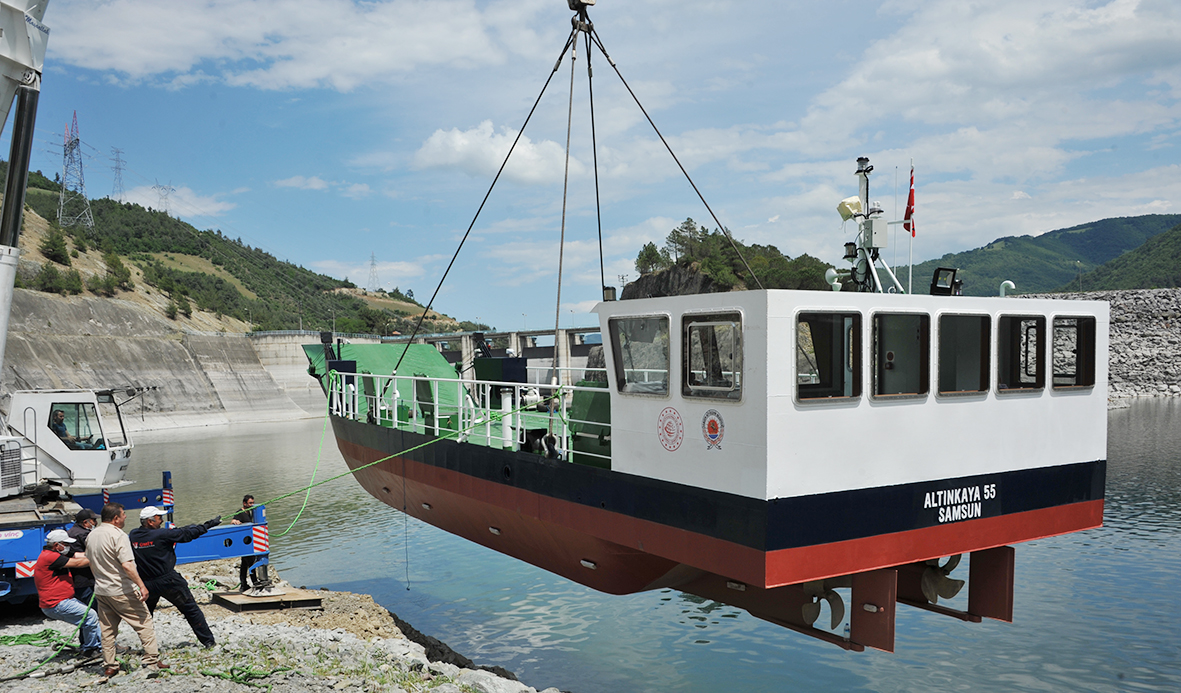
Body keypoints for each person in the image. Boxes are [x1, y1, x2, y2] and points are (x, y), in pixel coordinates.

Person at [86, 502, 168, 678]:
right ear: (115, 518)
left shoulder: (92, 535)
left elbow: (91, 563)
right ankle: (151, 660)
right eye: (123, 514)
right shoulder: (119, 536)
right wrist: (141, 585)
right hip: (121, 589)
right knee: (144, 622)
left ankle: (110, 665)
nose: (125, 517)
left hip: (102, 590)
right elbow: (127, 565)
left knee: (107, 630)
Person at [128, 506, 220, 648]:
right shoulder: (162, 534)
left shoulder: (133, 535)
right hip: (168, 581)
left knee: (145, 616)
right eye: (159, 518)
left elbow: (177, 532)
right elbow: (186, 535)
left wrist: (187, 528)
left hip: (146, 583)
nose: (162, 520)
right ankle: (208, 641)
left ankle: (147, 647)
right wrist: (207, 525)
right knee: (191, 609)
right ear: (150, 521)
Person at [33, 529, 101, 657]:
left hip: (63, 600)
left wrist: (95, 552)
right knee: (90, 616)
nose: (68, 547)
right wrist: (101, 558)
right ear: (57, 545)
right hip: (56, 604)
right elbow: (79, 563)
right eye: (66, 544)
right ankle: (90, 649)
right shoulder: (50, 556)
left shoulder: (56, 552)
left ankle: (103, 646)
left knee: (89, 617)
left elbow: (78, 555)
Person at [67, 508, 98, 606]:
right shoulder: (84, 534)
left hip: (75, 578)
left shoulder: (71, 531)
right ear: (85, 522)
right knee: (94, 607)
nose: (96, 523)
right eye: (94, 520)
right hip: (86, 579)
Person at [230, 494, 262, 591]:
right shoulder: (240, 512)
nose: (252, 505)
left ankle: (243, 584)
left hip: (249, 542)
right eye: (250, 503)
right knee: (251, 563)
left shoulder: (251, 512)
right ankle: (255, 582)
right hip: (244, 544)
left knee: (244, 564)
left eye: (253, 502)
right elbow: (233, 520)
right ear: (244, 503)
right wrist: (235, 522)